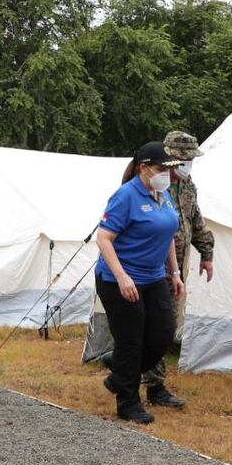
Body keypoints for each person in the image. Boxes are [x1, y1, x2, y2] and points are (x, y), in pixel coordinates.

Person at [95, 142, 185, 424]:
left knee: (162, 334)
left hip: (155, 276)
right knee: (131, 340)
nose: (167, 176)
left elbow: (168, 233)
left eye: (170, 170)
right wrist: (122, 277)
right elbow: (103, 239)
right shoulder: (126, 196)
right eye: (162, 170)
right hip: (119, 279)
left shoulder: (163, 195)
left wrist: (175, 273)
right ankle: (128, 404)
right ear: (144, 168)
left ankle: (119, 372)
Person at [136, 130, 216, 410]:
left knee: (165, 327)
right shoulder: (151, 185)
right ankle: (149, 385)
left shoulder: (187, 186)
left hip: (175, 268)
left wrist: (206, 253)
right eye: (182, 160)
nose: (187, 165)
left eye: (190, 160)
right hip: (149, 267)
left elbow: (195, 220)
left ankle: (142, 379)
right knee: (153, 327)